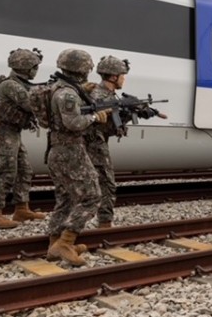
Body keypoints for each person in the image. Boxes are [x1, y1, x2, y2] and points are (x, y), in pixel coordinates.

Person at [85, 56, 166, 228]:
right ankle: (104, 222)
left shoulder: (108, 94)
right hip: (93, 143)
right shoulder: (99, 95)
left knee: (98, 182)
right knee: (106, 182)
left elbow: (116, 117)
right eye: (122, 75)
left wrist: (145, 110)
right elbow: (101, 113)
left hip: (98, 141)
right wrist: (125, 107)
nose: (124, 78)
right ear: (113, 77)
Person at [46, 48, 107, 266]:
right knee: (92, 196)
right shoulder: (68, 94)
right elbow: (73, 123)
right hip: (71, 151)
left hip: (56, 151)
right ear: (82, 69)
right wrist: (94, 117)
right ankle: (65, 242)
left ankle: (54, 246)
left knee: (66, 198)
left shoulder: (60, 88)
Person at [0, 48, 47, 229]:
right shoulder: (10, 85)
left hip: (12, 134)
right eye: (34, 66)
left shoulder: (20, 83)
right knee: (6, 173)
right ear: (26, 67)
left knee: (25, 171)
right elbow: (30, 104)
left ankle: (21, 208)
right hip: (1, 135)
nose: (36, 70)